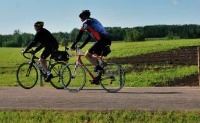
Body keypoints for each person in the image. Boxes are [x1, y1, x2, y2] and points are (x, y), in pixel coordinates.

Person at [71, 10, 111, 84]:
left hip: (102, 40)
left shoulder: (86, 22)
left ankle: (99, 67)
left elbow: (79, 35)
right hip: (107, 40)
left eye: (81, 18)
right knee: (95, 56)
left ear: (85, 17)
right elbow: (89, 37)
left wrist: (73, 45)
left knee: (87, 55)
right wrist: (82, 46)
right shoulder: (93, 20)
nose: (81, 20)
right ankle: (98, 77)